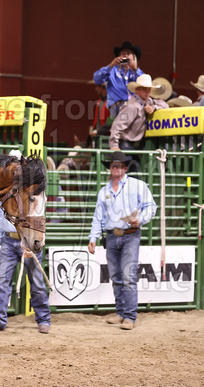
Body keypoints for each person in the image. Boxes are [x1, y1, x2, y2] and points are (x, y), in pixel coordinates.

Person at [0, 152, 51, 334]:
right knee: (3, 280)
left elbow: (39, 218)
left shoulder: (34, 192)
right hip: (8, 240)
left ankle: (44, 319)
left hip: (26, 240)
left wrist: (30, 243)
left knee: (36, 281)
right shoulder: (5, 191)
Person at [88, 151, 157, 330]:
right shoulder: (105, 191)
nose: (116, 168)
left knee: (127, 276)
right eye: (113, 166)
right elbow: (98, 217)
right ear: (110, 169)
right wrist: (93, 238)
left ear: (125, 168)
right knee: (117, 277)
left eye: (119, 165)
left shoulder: (138, 186)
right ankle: (121, 313)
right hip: (111, 236)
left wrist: (140, 219)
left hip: (130, 235)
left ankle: (129, 316)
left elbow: (151, 207)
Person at [109, 74, 168, 172]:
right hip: (126, 145)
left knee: (135, 173)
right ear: (137, 90)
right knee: (131, 173)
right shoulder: (132, 106)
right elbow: (117, 126)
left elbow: (165, 105)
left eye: (149, 89)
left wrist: (153, 108)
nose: (148, 92)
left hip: (136, 145)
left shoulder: (147, 102)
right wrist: (114, 146)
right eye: (144, 89)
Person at [94, 41, 144, 118]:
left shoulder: (137, 73)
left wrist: (135, 69)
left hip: (134, 106)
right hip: (117, 107)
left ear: (133, 57)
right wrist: (110, 66)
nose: (125, 56)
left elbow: (145, 84)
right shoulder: (112, 70)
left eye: (128, 54)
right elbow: (97, 79)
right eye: (123, 54)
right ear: (119, 57)